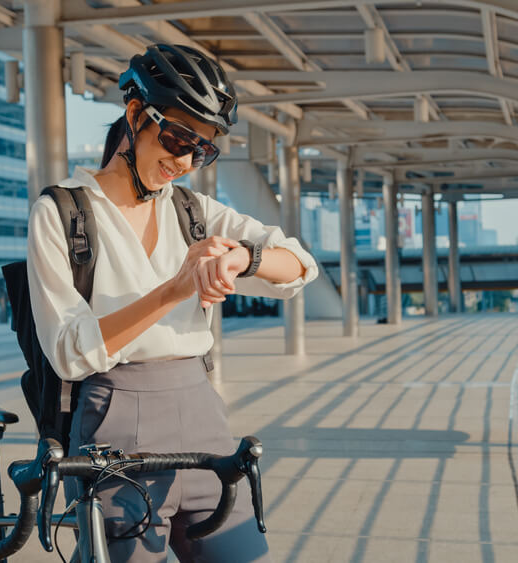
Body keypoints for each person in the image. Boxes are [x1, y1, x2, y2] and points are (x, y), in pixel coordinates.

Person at [26, 44, 318, 562]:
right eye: (178, 137)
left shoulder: (192, 211)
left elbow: (298, 264)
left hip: (203, 415)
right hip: (114, 422)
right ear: (136, 114)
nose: (184, 162)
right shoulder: (63, 212)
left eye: (201, 150)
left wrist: (240, 260)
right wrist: (174, 289)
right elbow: (71, 351)